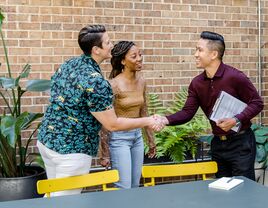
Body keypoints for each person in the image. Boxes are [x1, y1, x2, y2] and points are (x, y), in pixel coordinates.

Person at [37, 25, 159, 197]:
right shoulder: (97, 83)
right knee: (64, 202)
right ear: (96, 50)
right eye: (108, 42)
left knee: (53, 195)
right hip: (71, 150)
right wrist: (148, 121)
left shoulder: (69, 64)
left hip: (47, 142)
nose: (111, 45)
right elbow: (112, 124)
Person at [156, 31, 263, 181]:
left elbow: (257, 103)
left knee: (243, 190)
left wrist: (236, 119)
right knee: (222, 190)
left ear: (213, 54)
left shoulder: (235, 77)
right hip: (218, 144)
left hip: (241, 143)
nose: (195, 54)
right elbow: (187, 112)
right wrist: (165, 120)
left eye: (199, 50)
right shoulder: (196, 83)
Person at [99, 41, 156, 189]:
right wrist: (104, 153)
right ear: (123, 61)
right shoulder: (113, 85)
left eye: (140, 55)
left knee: (135, 185)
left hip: (137, 138)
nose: (139, 59)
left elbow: (144, 112)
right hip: (119, 139)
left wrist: (151, 140)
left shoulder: (142, 81)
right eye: (134, 56)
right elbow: (106, 122)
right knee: (123, 187)